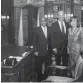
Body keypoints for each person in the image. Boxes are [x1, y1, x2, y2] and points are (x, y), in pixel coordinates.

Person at [33, 17, 52, 81]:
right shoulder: (36, 29)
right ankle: (39, 80)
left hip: (48, 51)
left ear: (46, 21)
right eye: (42, 21)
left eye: (44, 21)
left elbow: (51, 40)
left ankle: (46, 79)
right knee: (39, 67)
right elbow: (34, 41)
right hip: (39, 51)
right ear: (40, 22)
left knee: (48, 66)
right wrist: (35, 51)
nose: (43, 22)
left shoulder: (49, 28)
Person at [51, 11, 69, 75]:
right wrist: (53, 47)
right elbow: (52, 37)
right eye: (60, 15)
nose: (61, 17)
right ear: (58, 16)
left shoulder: (67, 24)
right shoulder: (53, 25)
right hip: (57, 48)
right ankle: (58, 75)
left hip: (66, 48)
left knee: (65, 63)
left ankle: (65, 75)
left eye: (63, 15)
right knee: (58, 63)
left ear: (64, 16)